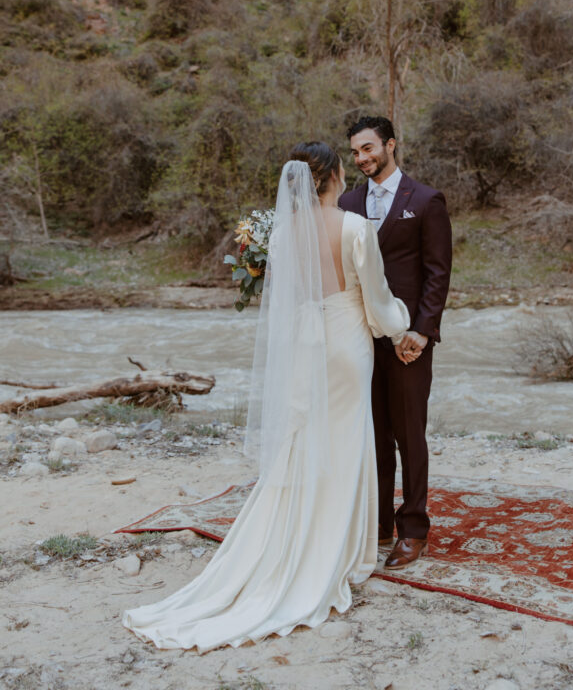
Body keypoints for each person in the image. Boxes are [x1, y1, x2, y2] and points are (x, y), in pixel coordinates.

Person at [122, 142, 409, 652]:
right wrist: (402, 323)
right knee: (346, 440)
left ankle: (294, 539)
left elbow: (291, 297)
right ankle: (341, 552)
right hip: (345, 343)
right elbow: (378, 301)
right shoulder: (354, 226)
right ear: (334, 177)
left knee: (305, 439)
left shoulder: (280, 235)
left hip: (303, 342)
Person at [339, 117, 452, 570]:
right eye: (355, 153)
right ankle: (379, 521)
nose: (363, 158)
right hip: (361, 338)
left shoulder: (425, 201)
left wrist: (422, 332)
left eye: (368, 149)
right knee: (374, 436)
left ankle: (413, 529)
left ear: (389, 144)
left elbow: (437, 272)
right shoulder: (347, 203)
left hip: (408, 340)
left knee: (409, 435)